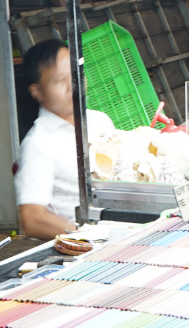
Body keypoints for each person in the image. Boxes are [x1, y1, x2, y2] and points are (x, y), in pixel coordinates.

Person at [14, 39, 114, 239]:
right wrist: (91, 236)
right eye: (60, 81)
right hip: (83, 246)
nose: (73, 86)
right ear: (38, 91)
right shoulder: (39, 143)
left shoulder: (100, 121)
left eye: (76, 75)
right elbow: (32, 220)